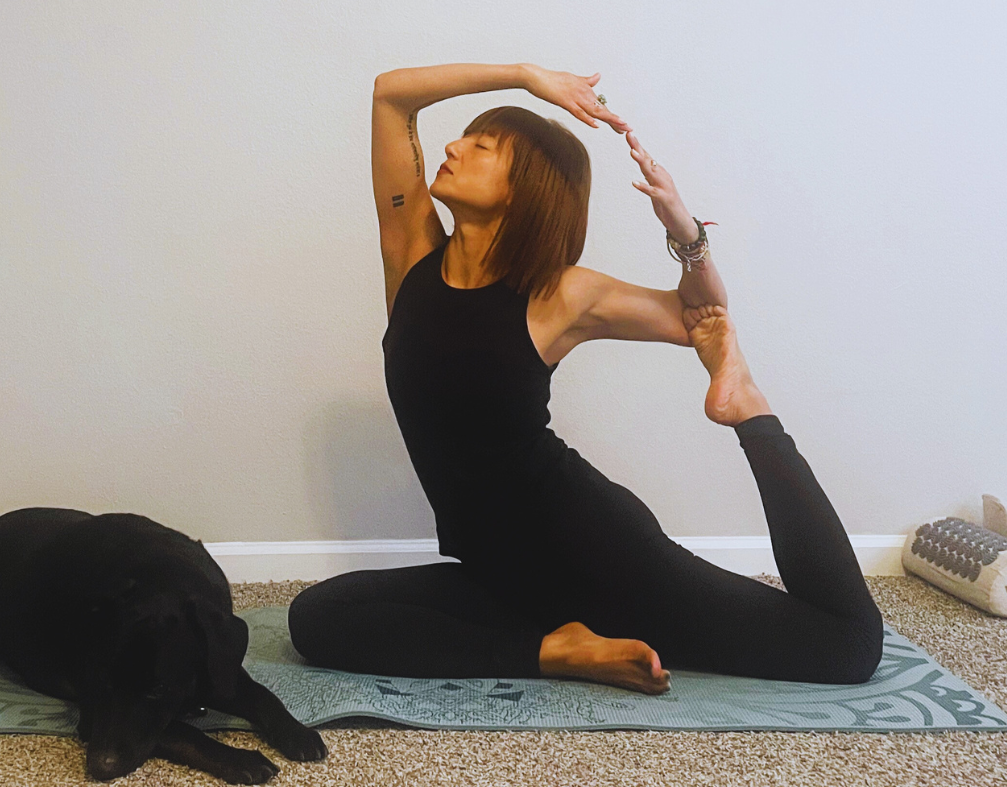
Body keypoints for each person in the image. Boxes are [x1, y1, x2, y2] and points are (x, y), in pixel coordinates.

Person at [286, 62, 884, 691]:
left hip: (598, 556)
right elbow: (390, 95)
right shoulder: (409, 255)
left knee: (844, 648)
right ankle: (558, 651)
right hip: (497, 573)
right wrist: (523, 77)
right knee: (319, 619)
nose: (453, 147)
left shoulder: (557, 295)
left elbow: (698, 316)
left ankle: (753, 415)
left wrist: (684, 228)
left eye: (482, 145)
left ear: (524, 188)